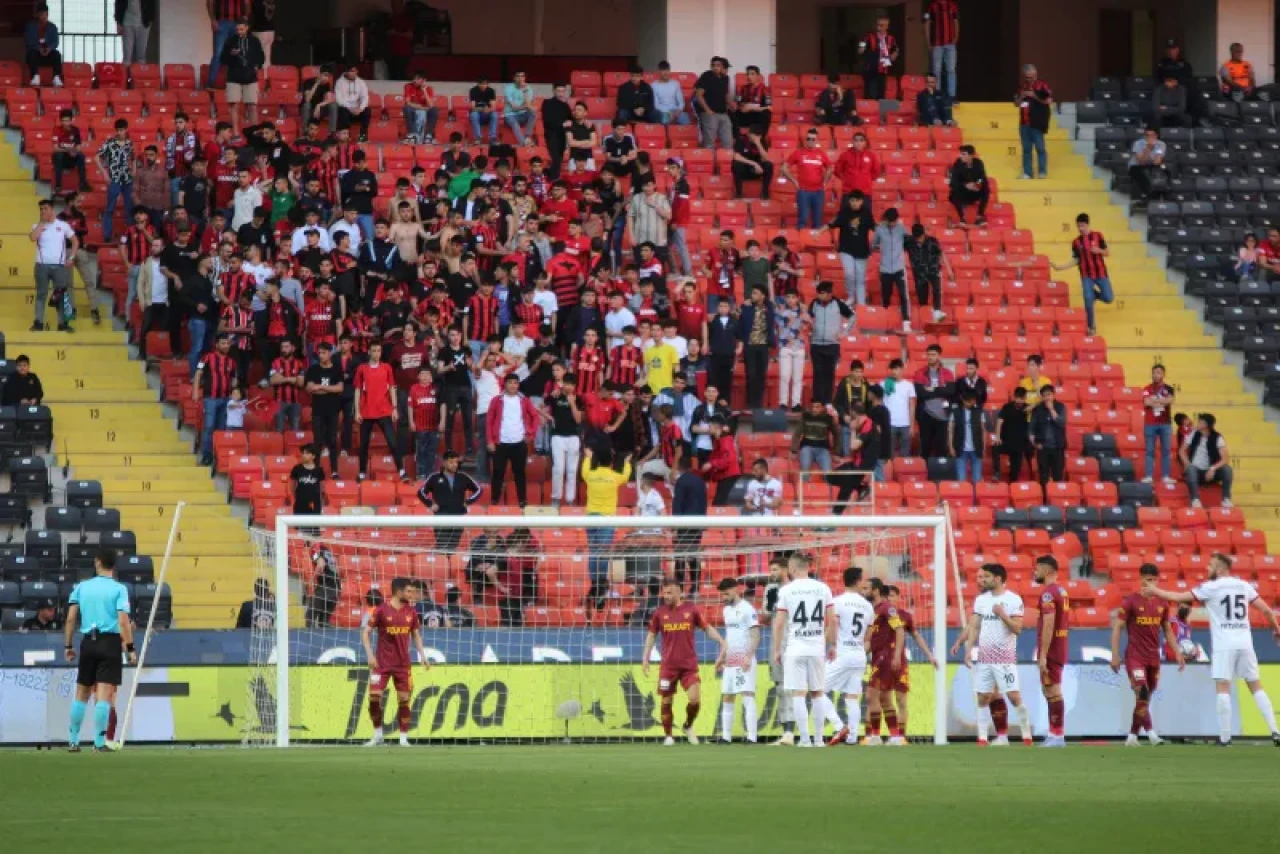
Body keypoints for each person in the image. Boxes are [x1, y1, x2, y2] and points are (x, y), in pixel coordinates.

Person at [1144, 552, 1280, 746]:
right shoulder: (1243, 585)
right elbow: (1266, 610)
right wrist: (1276, 630)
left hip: (1224, 644)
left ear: (1220, 568)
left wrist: (1155, 590)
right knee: (1255, 685)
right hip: (1245, 642)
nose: (1206, 569)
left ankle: (1225, 738)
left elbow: (1178, 596)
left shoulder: (1211, 587)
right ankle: (1275, 731)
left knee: (1223, 687)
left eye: (1210, 565)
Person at [63, 549, 136, 752]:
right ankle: (98, 742)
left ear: (97, 562)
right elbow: (123, 621)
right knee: (104, 694)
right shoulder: (119, 589)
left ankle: (73, 740)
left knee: (82, 692)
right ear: (114, 565)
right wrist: (130, 648)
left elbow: (70, 619)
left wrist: (68, 646)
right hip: (110, 642)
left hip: (88, 642)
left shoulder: (82, 587)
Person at [952, 563, 1032, 746]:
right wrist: (964, 645)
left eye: (985, 577)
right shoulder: (981, 600)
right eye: (980, 577)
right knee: (982, 697)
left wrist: (1002, 614)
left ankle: (1026, 735)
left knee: (1013, 696)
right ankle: (983, 738)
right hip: (985, 657)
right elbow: (974, 625)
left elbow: (1018, 628)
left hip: (1004, 657)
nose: (981, 580)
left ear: (997, 578)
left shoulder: (1013, 600)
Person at [642, 578, 725, 746]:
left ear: (679, 592)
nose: (665, 596)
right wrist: (646, 657)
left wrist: (721, 641)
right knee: (666, 701)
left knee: (694, 700)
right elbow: (651, 635)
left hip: (688, 666)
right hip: (668, 667)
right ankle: (668, 736)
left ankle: (688, 726)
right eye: (664, 592)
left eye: (669, 592)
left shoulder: (691, 609)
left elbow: (707, 628)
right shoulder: (659, 613)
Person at [1110, 563, 1184, 747]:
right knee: (1141, 691)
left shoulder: (1162, 603)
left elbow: (1167, 630)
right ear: (1141, 579)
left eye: (1154, 580)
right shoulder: (1130, 601)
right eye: (1148, 580)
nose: (1151, 583)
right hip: (1135, 656)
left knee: (1145, 698)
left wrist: (1178, 651)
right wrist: (1114, 655)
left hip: (1153, 657)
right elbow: (1117, 628)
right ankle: (1152, 734)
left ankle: (1132, 737)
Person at [771, 553, 836, 747]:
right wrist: (832, 644)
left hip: (795, 648)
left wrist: (776, 650)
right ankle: (818, 739)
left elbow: (779, 623)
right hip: (817, 647)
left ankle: (805, 739)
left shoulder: (787, 590)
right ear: (808, 567)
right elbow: (832, 619)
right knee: (817, 693)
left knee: (799, 693)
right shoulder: (823, 588)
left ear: (792, 569)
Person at [361, 578, 431, 747]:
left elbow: (415, 635)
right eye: (409, 591)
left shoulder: (411, 612)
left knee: (404, 699)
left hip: (402, 664)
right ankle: (378, 734)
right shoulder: (381, 610)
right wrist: (370, 655)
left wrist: (423, 655)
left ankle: (403, 738)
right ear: (398, 592)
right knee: (374, 697)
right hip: (381, 664)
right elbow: (366, 633)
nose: (412, 594)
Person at [353, 340, 407, 482]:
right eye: (374, 351)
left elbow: (391, 388)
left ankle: (401, 471)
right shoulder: (362, 368)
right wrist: (357, 411)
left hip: (384, 410)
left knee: (393, 442)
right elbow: (358, 390)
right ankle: (362, 473)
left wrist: (394, 408)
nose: (376, 353)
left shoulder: (387, 368)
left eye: (379, 351)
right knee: (363, 445)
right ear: (369, 352)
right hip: (367, 411)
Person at [486, 373, 543, 508]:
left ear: (518, 385)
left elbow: (535, 416)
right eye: (510, 382)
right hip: (500, 443)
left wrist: (531, 434)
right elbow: (489, 421)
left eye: (515, 383)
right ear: (505, 384)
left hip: (519, 443)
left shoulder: (524, 400)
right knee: (498, 472)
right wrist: (490, 440)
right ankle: (494, 501)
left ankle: (522, 501)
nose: (513, 385)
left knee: (520, 473)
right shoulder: (496, 400)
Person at [1031, 555, 1070, 748]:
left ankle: (1057, 736)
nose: (1034, 572)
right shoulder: (1061, 591)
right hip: (1060, 647)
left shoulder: (1048, 594)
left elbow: (1048, 624)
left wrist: (1043, 654)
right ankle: (1054, 734)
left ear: (1046, 571)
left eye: (1037, 569)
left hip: (1052, 650)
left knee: (1053, 691)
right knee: (1049, 691)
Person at [1051, 213, 1112, 336]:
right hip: (1086, 275)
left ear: (1087, 224)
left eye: (1082, 226)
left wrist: (1099, 250)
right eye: (1078, 226)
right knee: (1087, 299)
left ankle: (1095, 295)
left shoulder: (1098, 236)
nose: (1080, 228)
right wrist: (1060, 267)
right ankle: (1091, 326)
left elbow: (1107, 253)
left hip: (1101, 273)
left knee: (1108, 298)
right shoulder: (1076, 242)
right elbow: (1076, 260)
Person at [716, 578, 761, 743]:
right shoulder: (726, 610)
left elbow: (756, 635)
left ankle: (752, 737)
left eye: (726, 593)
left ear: (736, 589)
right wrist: (721, 657)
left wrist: (749, 656)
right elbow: (729, 636)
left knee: (747, 696)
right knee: (727, 696)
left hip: (744, 660)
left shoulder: (748, 609)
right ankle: (726, 737)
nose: (724, 597)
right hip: (730, 661)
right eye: (722, 594)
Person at [29, 198, 79, 333]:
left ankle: (63, 323)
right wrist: (41, 223)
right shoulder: (37, 226)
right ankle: (38, 322)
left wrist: (72, 257)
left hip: (59, 266)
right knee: (41, 294)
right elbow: (33, 237)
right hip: (41, 266)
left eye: (45, 209)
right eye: (41, 209)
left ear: (52, 210)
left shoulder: (62, 225)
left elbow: (75, 241)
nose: (43, 211)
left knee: (62, 295)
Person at [418, 451, 483, 553]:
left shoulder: (463, 476)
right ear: (444, 463)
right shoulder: (434, 477)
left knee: (453, 547)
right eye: (451, 462)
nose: (454, 465)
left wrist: (468, 501)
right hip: (441, 516)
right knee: (442, 546)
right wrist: (430, 504)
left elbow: (479, 489)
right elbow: (421, 492)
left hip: (458, 516)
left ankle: (448, 566)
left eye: (456, 462)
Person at [192, 334, 238, 465]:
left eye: (228, 344)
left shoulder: (232, 362)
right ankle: (206, 455)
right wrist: (195, 392)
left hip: (226, 399)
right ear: (216, 344)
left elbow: (234, 379)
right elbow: (198, 374)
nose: (226, 346)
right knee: (209, 427)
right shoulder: (206, 357)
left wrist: (235, 391)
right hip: (210, 399)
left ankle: (218, 455)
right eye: (223, 343)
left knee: (221, 428)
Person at [807, 281, 855, 404]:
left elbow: (852, 316)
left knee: (829, 373)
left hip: (832, 345)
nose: (820, 296)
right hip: (816, 344)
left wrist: (844, 333)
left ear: (829, 294)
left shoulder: (838, 303)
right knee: (817, 373)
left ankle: (827, 401)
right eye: (819, 294)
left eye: (822, 294)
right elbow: (808, 317)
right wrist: (809, 327)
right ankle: (817, 401)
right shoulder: (814, 303)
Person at [304, 341, 345, 475]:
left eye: (323, 353)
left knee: (333, 441)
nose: (321, 356)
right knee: (317, 442)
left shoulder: (337, 369)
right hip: (317, 411)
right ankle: (315, 470)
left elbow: (339, 388)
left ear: (329, 354)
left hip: (333, 410)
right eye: (319, 353)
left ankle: (334, 471)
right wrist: (329, 389)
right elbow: (310, 388)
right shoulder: (313, 369)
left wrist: (320, 387)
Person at [220, 18, 265, 138]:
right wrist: (231, 54)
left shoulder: (254, 40)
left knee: (252, 105)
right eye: (237, 29)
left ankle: (254, 132)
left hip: (250, 76)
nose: (239, 31)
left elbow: (261, 56)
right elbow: (222, 58)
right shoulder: (230, 41)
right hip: (233, 77)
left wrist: (257, 66)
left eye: (241, 29)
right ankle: (235, 133)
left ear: (247, 27)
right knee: (234, 105)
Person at [782, 128, 832, 230]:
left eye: (813, 139)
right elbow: (784, 167)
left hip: (818, 191)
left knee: (818, 221)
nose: (811, 141)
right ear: (805, 140)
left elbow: (830, 168)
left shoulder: (821, 154)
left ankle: (815, 243)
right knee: (803, 219)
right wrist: (794, 181)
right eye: (808, 139)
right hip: (803, 191)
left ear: (817, 141)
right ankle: (801, 243)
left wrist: (825, 181)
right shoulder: (798, 153)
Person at [1181, 413, 1233, 509]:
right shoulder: (1193, 434)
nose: (1197, 423)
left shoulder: (1217, 437)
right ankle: (1195, 500)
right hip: (1196, 470)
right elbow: (1182, 451)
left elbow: (1225, 459)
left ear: (1206, 425)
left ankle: (1226, 499)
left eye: (1200, 422)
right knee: (1191, 469)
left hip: (1210, 470)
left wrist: (1212, 469)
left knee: (1227, 469)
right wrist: (1187, 463)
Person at [735, 285, 774, 409]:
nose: (753, 295)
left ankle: (758, 403)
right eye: (752, 293)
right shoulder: (746, 307)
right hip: (750, 345)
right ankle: (750, 403)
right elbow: (741, 325)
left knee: (761, 375)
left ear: (763, 295)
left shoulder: (769, 307)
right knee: (751, 375)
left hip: (763, 346)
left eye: (756, 293)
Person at [872, 208, 911, 332]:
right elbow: (873, 244)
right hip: (885, 268)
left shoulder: (901, 228)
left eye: (895, 221)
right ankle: (885, 322)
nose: (893, 223)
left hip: (899, 267)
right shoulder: (879, 230)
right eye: (891, 221)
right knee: (886, 296)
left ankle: (906, 322)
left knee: (903, 295)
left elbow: (909, 241)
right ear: (887, 219)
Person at [906, 223, 952, 325]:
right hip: (919, 275)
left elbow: (941, 254)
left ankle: (937, 314)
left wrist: (949, 270)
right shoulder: (909, 242)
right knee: (922, 299)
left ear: (924, 234)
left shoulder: (933, 241)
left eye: (921, 237)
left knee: (936, 291)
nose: (919, 240)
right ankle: (924, 320)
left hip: (933, 271)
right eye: (917, 238)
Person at [1030, 384, 1067, 501]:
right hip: (1043, 448)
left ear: (1054, 395)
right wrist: (1035, 443)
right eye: (1044, 395)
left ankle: (1057, 499)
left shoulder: (1060, 407)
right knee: (1043, 476)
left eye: (1049, 395)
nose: (1047, 397)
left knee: (1058, 475)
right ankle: (1045, 499)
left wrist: (1051, 409)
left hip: (1058, 447)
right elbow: (1031, 428)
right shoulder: (1038, 409)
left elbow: (1062, 423)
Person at [1015, 64, 1052, 179]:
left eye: (1033, 76)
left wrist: (1034, 95)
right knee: (1026, 149)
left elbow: (1049, 100)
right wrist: (1021, 96)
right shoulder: (1021, 87)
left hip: (1037, 122)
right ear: (1024, 76)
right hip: (1024, 123)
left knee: (1040, 148)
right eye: (1028, 77)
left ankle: (1042, 172)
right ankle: (1027, 173)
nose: (1031, 79)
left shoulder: (1042, 85)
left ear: (1036, 74)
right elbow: (1016, 104)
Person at [1142, 363, 1176, 486]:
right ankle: (1148, 476)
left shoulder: (1169, 388)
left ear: (1163, 374)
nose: (1156, 375)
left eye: (1158, 372)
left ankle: (1166, 476)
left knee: (1166, 450)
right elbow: (1146, 402)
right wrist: (1161, 401)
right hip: (1150, 423)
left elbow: (1170, 401)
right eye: (1154, 372)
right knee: (1149, 451)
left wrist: (1155, 400)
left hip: (1165, 423)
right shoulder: (1146, 388)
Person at [693, 55, 734, 150]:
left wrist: (731, 104)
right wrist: (707, 110)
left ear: (722, 66)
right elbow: (699, 95)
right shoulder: (706, 76)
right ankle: (711, 164)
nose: (715, 67)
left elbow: (725, 94)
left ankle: (726, 163)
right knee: (709, 144)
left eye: (718, 65)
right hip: (710, 114)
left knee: (728, 142)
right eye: (713, 65)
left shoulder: (725, 78)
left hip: (723, 113)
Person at [991, 386, 1030, 482]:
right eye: (1017, 398)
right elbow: (999, 422)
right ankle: (997, 473)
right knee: (995, 447)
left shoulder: (1028, 408)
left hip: (1020, 445)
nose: (1019, 401)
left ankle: (1012, 487)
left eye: (1022, 398)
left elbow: (1039, 404)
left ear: (1025, 398)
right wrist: (998, 437)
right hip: (1006, 442)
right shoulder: (1007, 407)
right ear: (1014, 397)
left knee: (1014, 474)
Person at [923, 0, 960, 99]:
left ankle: (951, 96)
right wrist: (928, 42)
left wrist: (956, 37)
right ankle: (937, 95)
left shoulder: (952, 5)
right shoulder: (932, 6)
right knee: (936, 71)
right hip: (937, 43)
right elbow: (927, 23)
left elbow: (956, 21)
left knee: (951, 70)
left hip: (950, 43)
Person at [702, 416, 741, 506]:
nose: (708, 428)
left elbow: (728, 459)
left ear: (717, 426)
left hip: (728, 475)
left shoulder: (725, 439)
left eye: (710, 426)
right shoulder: (718, 440)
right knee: (719, 503)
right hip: (724, 475)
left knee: (718, 504)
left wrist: (711, 464)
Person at [858, 16, 899, 101]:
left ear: (887, 26)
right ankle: (868, 112)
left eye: (881, 25)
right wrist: (861, 48)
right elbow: (862, 45)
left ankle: (881, 113)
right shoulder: (869, 36)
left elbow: (895, 50)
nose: (879, 27)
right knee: (869, 95)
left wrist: (894, 55)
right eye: (878, 25)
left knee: (881, 95)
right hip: (870, 69)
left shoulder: (891, 38)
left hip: (883, 70)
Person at [949, 390, 984, 486]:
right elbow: (950, 430)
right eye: (969, 401)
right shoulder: (955, 412)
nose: (972, 403)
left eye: (973, 401)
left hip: (976, 448)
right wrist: (951, 447)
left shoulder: (979, 412)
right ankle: (963, 498)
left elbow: (983, 430)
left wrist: (983, 447)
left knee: (977, 478)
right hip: (960, 449)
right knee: (961, 478)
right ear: (963, 400)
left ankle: (976, 499)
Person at [948, 145, 988, 227]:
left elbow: (982, 177)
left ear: (971, 155)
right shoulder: (957, 164)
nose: (960, 156)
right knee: (953, 192)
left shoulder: (978, 163)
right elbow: (953, 181)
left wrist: (976, 184)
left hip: (974, 191)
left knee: (986, 189)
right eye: (961, 154)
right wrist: (965, 185)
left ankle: (979, 217)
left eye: (963, 154)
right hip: (962, 192)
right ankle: (962, 218)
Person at [883, 358, 915, 458]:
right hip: (889, 423)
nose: (893, 371)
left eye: (896, 369)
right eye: (892, 369)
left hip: (905, 424)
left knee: (905, 454)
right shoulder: (884, 384)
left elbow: (912, 406)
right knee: (889, 454)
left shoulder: (909, 385)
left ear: (902, 369)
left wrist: (912, 425)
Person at [730, 124, 773, 200]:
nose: (757, 137)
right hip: (745, 169)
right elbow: (736, 156)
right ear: (749, 134)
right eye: (755, 135)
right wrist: (754, 163)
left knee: (769, 165)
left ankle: (764, 193)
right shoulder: (741, 140)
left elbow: (766, 159)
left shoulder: (762, 142)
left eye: (759, 135)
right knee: (736, 164)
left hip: (757, 171)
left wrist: (758, 143)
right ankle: (739, 193)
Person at [794, 399, 836, 474]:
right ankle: (804, 485)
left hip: (823, 449)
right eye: (813, 407)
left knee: (828, 472)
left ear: (823, 408)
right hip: (807, 447)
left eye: (817, 407)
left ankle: (828, 485)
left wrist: (837, 452)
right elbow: (797, 433)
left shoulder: (828, 418)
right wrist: (793, 450)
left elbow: (837, 434)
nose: (814, 409)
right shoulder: (806, 416)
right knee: (805, 469)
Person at [26, 3, 62, 86]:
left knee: (57, 54)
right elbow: (28, 42)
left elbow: (55, 42)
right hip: (36, 54)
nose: (43, 16)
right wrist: (39, 49)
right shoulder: (30, 26)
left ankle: (56, 77)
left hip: (48, 53)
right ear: (37, 15)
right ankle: (35, 76)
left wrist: (49, 49)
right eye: (41, 14)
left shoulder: (52, 27)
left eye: (45, 14)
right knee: (32, 54)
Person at [1127, 126, 1166, 204]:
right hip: (1135, 166)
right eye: (1147, 135)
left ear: (1156, 136)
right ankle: (1146, 196)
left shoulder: (1161, 144)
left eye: (1152, 135)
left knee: (1165, 171)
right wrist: (1148, 148)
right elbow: (1142, 162)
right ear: (1144, 136)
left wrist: (1154, 149)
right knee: (1143, 173)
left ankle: (1161, 197)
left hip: (1150, 166)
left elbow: (1157, 162)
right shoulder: (1138, 143)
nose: (1149, 137)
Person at [335, 64, 372, 142]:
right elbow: (339, 100)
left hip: (357, 110)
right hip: (346, 109)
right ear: (346, 72)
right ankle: (346, 136)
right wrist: (350, 108)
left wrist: (360, 108)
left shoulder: (361, 82)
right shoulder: (339, 82)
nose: (351, 73)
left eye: (353, 71)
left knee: (367, 110)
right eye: (350, 71)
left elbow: (365, 97)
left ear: (357, 71)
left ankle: (363, 136)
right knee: (343, 110)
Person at [288, 442, 325, 516]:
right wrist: (297, 497)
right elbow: (292, 486)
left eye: (307, 453)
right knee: (300, 525)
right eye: (303, 453)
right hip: (300, 503)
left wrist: (321, 502)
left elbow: (322, 488)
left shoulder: (319, 470)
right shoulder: (296, 469)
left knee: (314, 525)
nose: (303, 455)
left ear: (313, 456)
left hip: (315, 503)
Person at [504, 71, 539, 147]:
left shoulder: (528, 88)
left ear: (524, 78)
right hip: (510, 115)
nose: (520, 78)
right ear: (514, 78)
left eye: (522, 76)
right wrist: (527, 106)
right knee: (514, 122)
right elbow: (514, 107)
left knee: (533, 114)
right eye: (518, 76)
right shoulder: (509, 89)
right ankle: (524, 143)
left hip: (523, 115)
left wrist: (525, 91)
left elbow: (528, 104)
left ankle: (527, 137)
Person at [651, 61, 688, 125]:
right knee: (664, 119)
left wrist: (679, 110)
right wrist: (668, 113)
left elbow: (681, 102)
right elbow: (656, 105)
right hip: (662, 112)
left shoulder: (675, 83)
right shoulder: (653, 85)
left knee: (685, 119)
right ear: (659, 72)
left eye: (667, 70)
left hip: (675, 111)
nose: (666, 73)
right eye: (663, 70)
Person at [468, 76, 499, 144]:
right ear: (477, 84)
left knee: (495, 114)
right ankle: (478, 138)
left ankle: (492, 138)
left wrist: (489, 110)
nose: (483, 86)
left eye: (485, 84)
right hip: (478, 114)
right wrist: (482, 109)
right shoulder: (473, 91)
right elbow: (473, 108)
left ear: (487, 84)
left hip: (488, 114)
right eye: (481, 84)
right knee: (473, 114)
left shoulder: (491, 91)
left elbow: (493, 107)